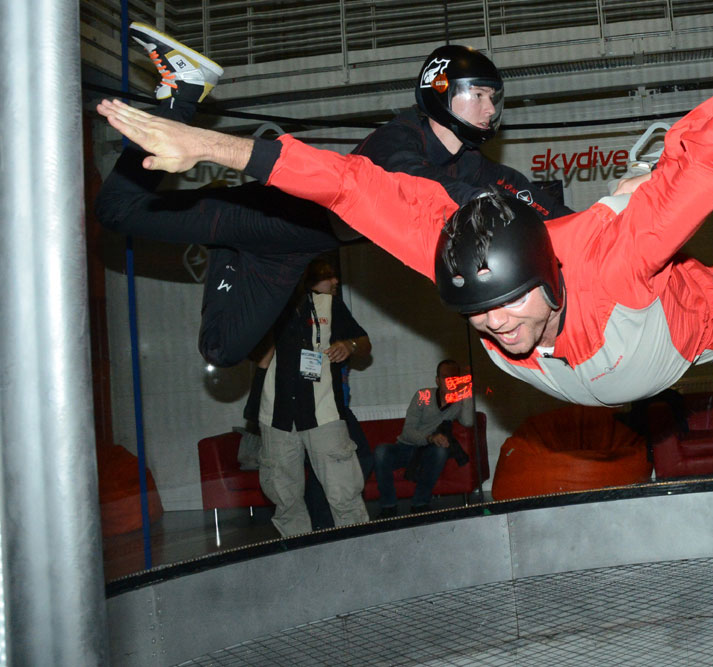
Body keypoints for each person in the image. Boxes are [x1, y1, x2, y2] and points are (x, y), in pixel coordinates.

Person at [97, 0, 713, 406]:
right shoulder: (445, 245)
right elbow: (344, 186)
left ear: (543, 276)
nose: (497, 326)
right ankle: (630, 183)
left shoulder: (605, 260)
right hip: (585, 272)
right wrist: (212, 146)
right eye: (483, 310)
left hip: (669, 324)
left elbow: (705, 164)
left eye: (506, 305)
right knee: (222, 325)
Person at [94, 27, 572, 367]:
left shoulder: (470, 161)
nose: (491, 109)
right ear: (440, 93)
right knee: (116, 211)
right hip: (263, 216)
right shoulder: (397, 143)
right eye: (480, 96)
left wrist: (598, 219)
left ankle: (228, 251)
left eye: (495, 99)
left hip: (299, 249)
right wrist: (504, 208)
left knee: (221, 350)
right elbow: (425, 195)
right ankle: (181, 92)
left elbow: (526, 196)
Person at [252, 254, 372, 536]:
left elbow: (364, 343)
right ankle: (301, 560)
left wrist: (349, 345)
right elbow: (252, 356)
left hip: (324, 412)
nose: (335, 281)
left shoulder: (329, 305)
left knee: (345, 496)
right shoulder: (267, 307)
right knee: (286, 501)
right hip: (276, 415)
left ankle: (359, 556)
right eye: (328, 275)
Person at [372, 359, 475, 518]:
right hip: (407, 446)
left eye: (453, 378)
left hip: (430, 451)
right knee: (381, 451)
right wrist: (430, 437)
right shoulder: (423, 395)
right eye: (444, 377)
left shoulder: (458, 401)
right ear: (437, 380)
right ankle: (388, 506)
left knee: (441, 451)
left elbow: (468, 421)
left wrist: (467, 389)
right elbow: (407, 432)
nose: (448, 382)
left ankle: (420, 503)